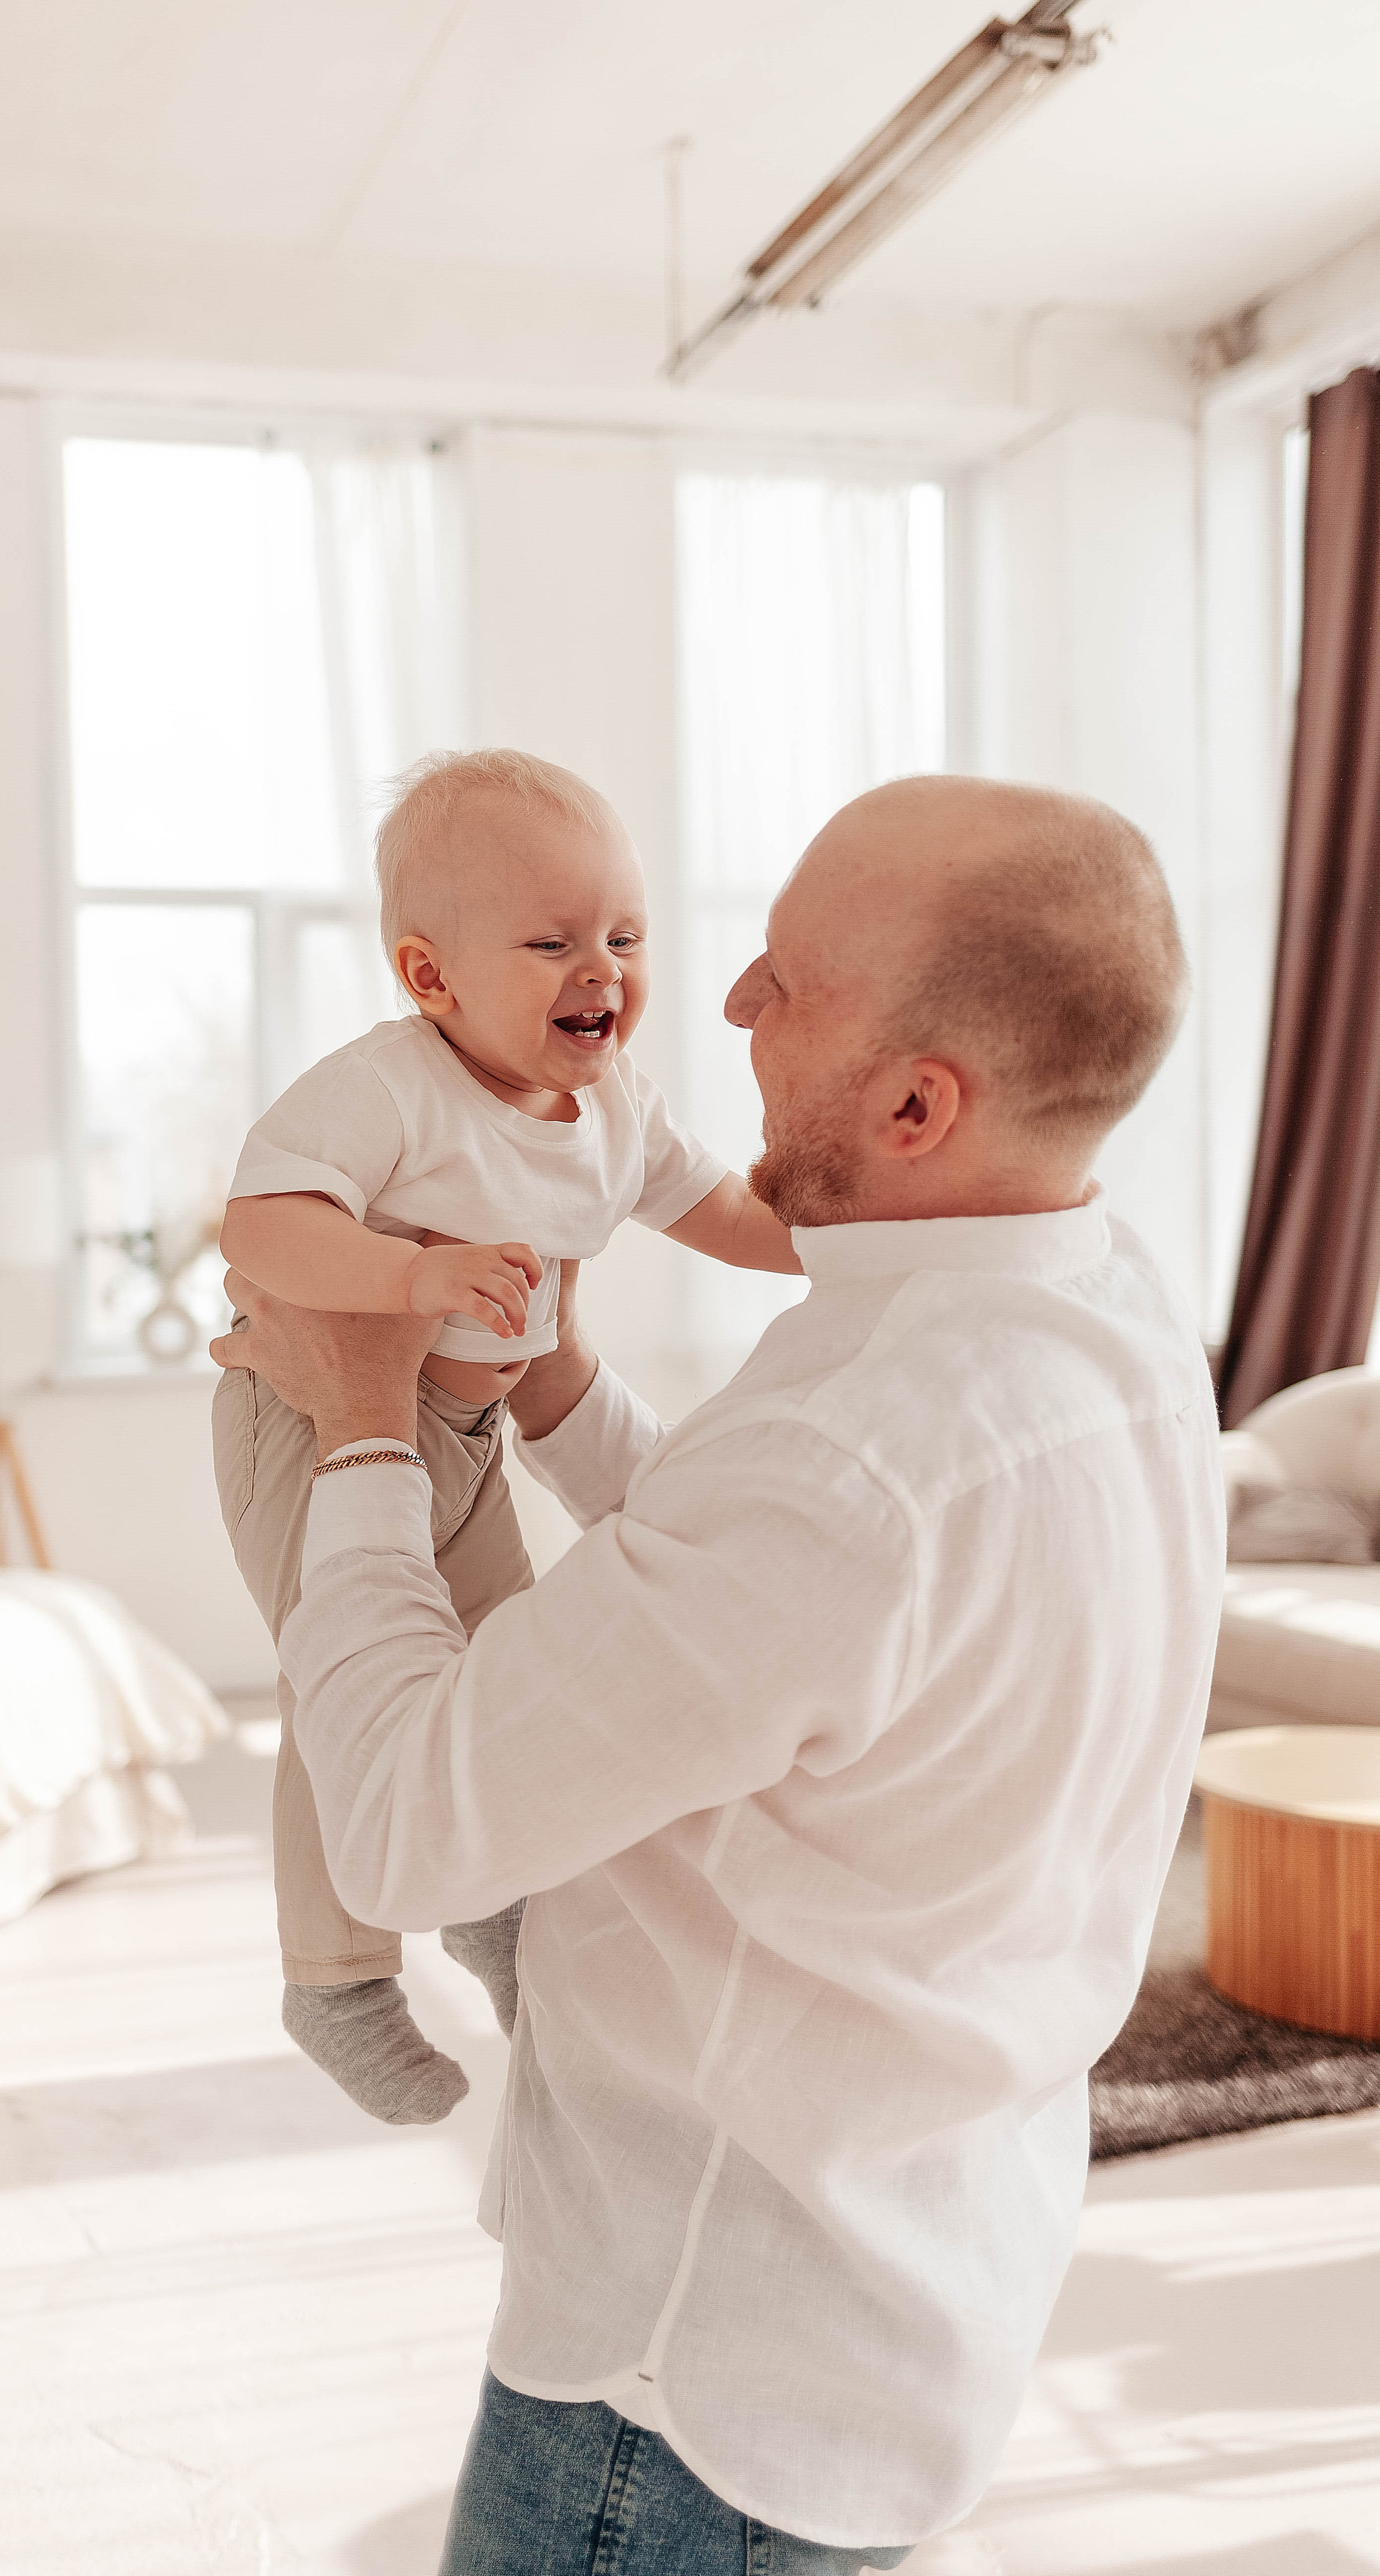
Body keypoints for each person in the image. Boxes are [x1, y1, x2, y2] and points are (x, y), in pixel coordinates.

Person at [210, 774, 1226, 2571]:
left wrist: (363, 1416)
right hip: (909, 2279)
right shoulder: (1104, 1311)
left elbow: (405, 1822)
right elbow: (762, 1603)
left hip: (684, 2398)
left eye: (788, 980)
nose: (729, 1006)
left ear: (919, 1105)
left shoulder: (852, 1462)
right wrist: (550, 1386)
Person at [211, 748, 800, 2126]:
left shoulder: (614, 1112)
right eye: (547, 942)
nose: (598, 968)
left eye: (622, 935)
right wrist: (409, 1279)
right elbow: (260, 1222)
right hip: (307, 1418)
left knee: (492, 1674)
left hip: (467, 1435)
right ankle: (337, 1980)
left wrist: (857, 1243)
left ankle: (488, 1912)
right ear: (430, 978)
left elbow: (725, 1214)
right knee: (342, 1686)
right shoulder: (392, 1087)